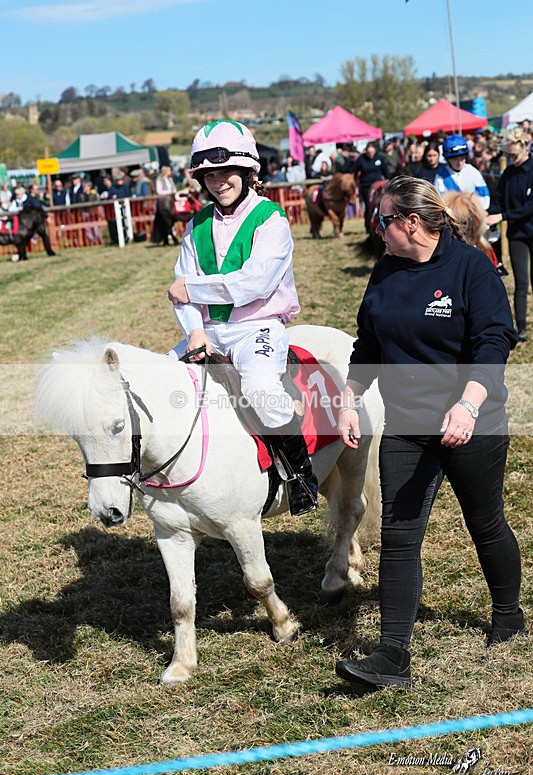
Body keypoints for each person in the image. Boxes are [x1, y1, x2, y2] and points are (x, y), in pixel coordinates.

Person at [335, 175, 525, 692]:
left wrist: (468, 404)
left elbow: (494, 341)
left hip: (472, 422)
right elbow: (368, 344)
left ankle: (508, 614)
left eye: (382, 220)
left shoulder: (471, 268)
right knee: (399, 537)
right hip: (406, 425)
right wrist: (349, 399)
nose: (376, 229)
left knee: (485, 523)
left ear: (412, 222)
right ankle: (392, 654)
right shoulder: (385, 270)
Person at [167, 119, 317, 516]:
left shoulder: (271, 219)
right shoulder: (195, 226)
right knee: (161, 382)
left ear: (248, 170)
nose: (218, 182)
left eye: (226, 171)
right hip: (209, 332)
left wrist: (191, 288)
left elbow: (254, 283)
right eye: (209, 175)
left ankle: (300, 474)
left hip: (257, 328)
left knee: (260, 389)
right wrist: (194, 332)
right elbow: (180, 293)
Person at [486, 128, 533, 342]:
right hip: (517, 234)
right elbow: (498, 200)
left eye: (514, 155)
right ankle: (520, 328)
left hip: (529, 227)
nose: (511, 159)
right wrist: (488, 213)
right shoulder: (508, 173)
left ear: (525, 148)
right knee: (521, 282)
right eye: (508, 155)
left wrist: (503, 216)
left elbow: (529, 207)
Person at [434, 134, 490, 211]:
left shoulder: (472, 171)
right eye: (455, 158)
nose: (460, 162)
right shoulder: (441, 176)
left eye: (462, 158)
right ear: (447, 159)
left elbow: (484, 196)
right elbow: (440, 202)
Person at [351, 142, 391, 234]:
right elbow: (354, 171)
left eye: (372, 152)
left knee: (379, 205)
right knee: (369, 207)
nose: (370, 154)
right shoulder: (361, 159)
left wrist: (389, 181)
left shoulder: (379, 158)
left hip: (378, 186)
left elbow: (386, 172)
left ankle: (381, 225)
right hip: (366, 187)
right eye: (369, 152)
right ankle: (368, 228)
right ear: (366, 151)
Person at [22, 184, 56, 256]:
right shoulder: (29, 199)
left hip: (37, 222)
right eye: (36, 189)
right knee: (28, 238)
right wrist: (46, 217)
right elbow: (38, 209)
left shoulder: (36, 198)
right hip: (32, 223)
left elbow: (41, 208)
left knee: (44, 236)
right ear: (32, 190)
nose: (37, 190)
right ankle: (21, 253)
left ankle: (50, 252)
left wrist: (46, 217)